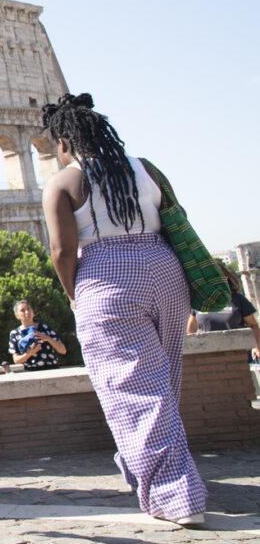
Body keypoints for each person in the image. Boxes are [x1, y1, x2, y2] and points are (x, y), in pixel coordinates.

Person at [40, 92, 205, 526]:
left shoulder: (65, 182)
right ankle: (142, 470)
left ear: (63, 143)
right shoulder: (145, 167)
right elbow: (175, 217)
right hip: (166, 271)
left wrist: (75, 293)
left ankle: (177, 495)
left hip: (106, 276)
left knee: (131, 390)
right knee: (163, 383)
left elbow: (62, 250)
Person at [188, 274, 260, 361]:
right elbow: (191, 328)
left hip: (240, 354)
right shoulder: (199, 302)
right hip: (208, 355)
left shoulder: (238, 299)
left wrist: (257, 347)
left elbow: (253, 325)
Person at [8, 300, 67, 370]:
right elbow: (16, 360)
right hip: (32, 372)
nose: (27, 312)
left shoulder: (45, 328)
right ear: (17, 315)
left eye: (28, 309)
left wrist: (48, 339)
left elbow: (63, 350)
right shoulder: (15, 334)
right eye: (22, 310)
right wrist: (29, 353)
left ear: (33, 312)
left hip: (52, 369)